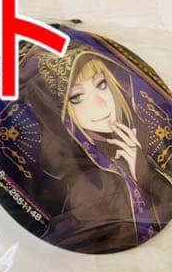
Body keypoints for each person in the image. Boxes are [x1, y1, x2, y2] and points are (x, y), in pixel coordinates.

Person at [22, 46, 172, 253]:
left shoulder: (133, 141)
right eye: (77, 97)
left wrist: (144, 174)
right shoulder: (72, 174)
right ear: (58, 111)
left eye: (101, 84)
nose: (102, 104)